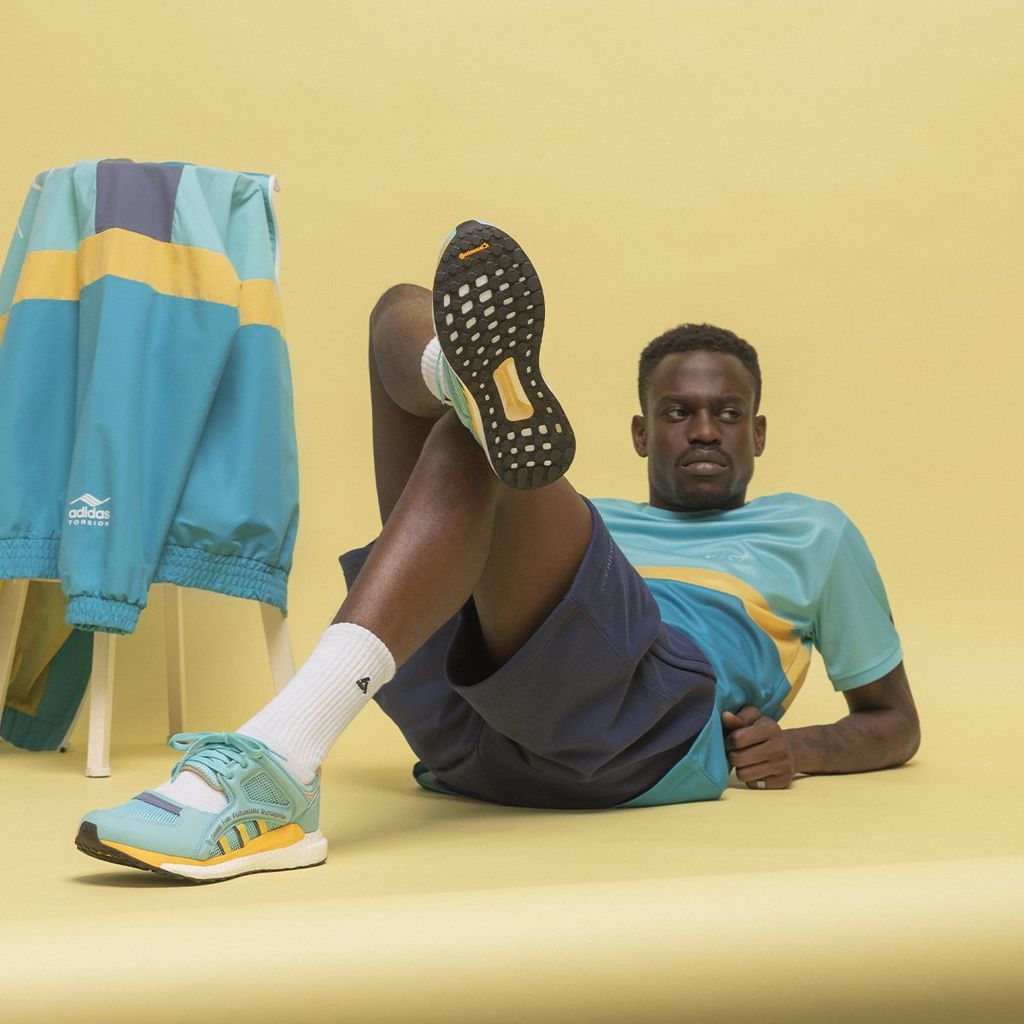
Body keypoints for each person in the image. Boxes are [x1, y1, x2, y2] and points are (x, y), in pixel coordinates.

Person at [75, 221, 920, 882]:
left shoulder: (812, 531)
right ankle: (460, 379)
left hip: (639, 721)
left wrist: (803, 748)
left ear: (758, 432)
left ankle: (277, 762)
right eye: (678, 413)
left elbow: (895, 720)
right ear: (639, 432)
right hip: (466, 737)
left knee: (478, 445)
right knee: (396, 313)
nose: (704, 430)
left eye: (727, 414)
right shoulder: (584, 518)